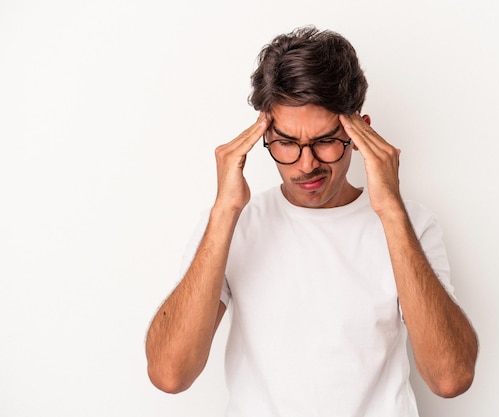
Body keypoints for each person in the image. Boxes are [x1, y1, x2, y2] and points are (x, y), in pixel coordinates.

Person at [145, 25, 478, 417]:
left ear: (360, 131)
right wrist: (224, 212)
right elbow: (170, 374)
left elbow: (450, 378)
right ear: (263, 133)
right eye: (286, 142)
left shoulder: (412, 224)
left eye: (324, 141)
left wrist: (389, 210)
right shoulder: (231, 225)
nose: (307, 165)